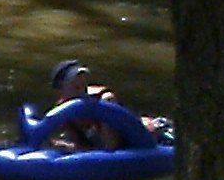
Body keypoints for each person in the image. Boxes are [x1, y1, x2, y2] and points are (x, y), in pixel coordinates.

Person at [35, 61, 166, 155]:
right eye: (75, 86)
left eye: (83, 84)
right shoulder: (62, 110)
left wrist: (70, 147)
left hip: (154, 135)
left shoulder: (104, 100)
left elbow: (110, 147)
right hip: (102, 143)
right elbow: (81, 144)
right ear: (60, 90)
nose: (82, 90)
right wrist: (60, 145)